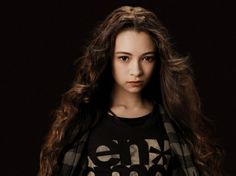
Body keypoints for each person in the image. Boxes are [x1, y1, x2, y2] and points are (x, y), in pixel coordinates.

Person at [38, 6, 223, 176]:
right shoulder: (82, 123)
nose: (136, 71)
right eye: (124, 58)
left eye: (147, 58)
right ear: (107, 58)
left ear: (158, 61)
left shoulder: (174, 124)